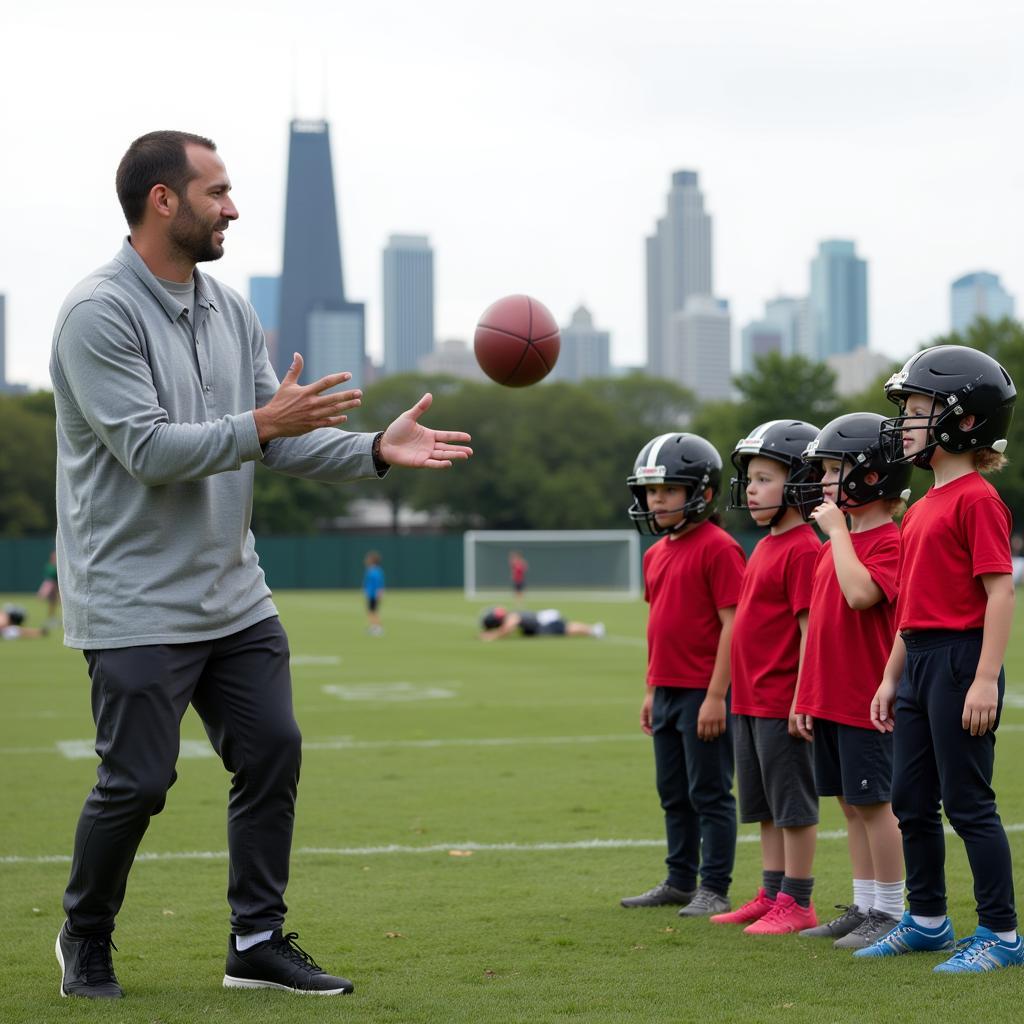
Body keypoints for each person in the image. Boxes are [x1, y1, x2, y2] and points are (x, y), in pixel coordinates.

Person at [49, 131, 472, 1000]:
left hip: (232, 593)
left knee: (273, 750)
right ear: (163, 200)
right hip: (133, 598)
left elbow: (273, 444)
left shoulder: (231, 308)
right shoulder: (98, 312)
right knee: (137, 782)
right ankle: (85, 935)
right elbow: (147, 450)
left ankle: (256, 939)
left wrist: (375, 453)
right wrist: (264, 425)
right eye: (217, 191)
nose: (233, 207)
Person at [857, 345, 1023, 973]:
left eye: (919, 410)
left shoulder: (978, 499)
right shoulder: (922, 506)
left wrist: (984, 678)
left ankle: (1002, 934)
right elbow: (911, 610)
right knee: (910, 799)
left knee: (968, 802)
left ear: (967, 420)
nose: (904, 424)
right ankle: (926, 920)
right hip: (920, 660)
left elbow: (999, 592)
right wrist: (889, 675)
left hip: (960, 661)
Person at [792, 413, 911, 950]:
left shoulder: (888, 542)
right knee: (849, 803)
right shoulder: (830, 547)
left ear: (873, 477)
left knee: (875, 804)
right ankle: (864, 904)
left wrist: (839, 533)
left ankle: (890, 910)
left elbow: (863, 596)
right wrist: (805, 693)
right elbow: (819, 629)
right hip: (832, 699)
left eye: (836, 469)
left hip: (868, 702)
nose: (823, 481)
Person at [619, 433, 745, 918]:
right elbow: (659, 628)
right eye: (651, 492)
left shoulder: (719, 548)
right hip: (668, 690)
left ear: (702, 493)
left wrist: (717, 696)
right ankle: (678, 879)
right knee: (673, 793)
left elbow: (732, 624)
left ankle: (714, 885)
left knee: (709, 792)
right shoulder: (656, 553)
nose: (657, 500)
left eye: (668, 490)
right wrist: (652, 690)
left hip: (703, 692)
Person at [712, 419, 821, 935]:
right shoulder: (767, 545)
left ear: (799, 482)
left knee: (793, 805)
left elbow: (809, 632)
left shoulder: (802, 547)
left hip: (782, 701)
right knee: (763, 805)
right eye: (750, 479)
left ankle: (798, 901)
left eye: (762, 478)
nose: (750, 489)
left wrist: (803, 697)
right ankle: (772, 891)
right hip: (749, 701)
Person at [478, 606, 603, 640]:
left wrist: (492, 636)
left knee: (567, 629)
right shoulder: (511, 615)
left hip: (546, 621)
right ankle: (593, 630)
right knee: (567, 629)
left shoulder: (512, 616)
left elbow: (508, 628)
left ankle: (593, 630)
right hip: (544, 620)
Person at [363, 551, 385, 636]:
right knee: (370, 611)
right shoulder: (370, 570)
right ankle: (373, 627)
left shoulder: (376, 571)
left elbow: (379, 584)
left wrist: (379, 593)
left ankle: (378, 628)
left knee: (374, 611)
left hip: (374, 595)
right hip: (370, 594)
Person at [37, 549, 61, 625]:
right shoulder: (49, 566)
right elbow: (49, 578)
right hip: (52, 586)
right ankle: (51, 618)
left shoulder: (59, 565)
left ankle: (56, 618)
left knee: (58, 603)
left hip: (58, 587)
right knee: (52, 602)